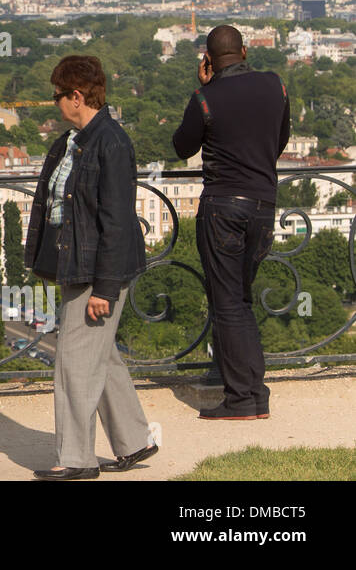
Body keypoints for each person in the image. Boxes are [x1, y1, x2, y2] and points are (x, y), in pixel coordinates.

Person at [24, 56, 154, 479]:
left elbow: (116, 222)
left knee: (74, 361)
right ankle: (135, 440)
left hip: (96, 270)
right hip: (77, 262)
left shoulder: (110, 143)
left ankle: (77, 458)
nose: (55, 103)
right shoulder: (73, 139)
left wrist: (105, 288)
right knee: (98, 355)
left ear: (76, 96)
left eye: (58, 96)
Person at [172, 25, 290, 420]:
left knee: (228, 303)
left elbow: (181, 146)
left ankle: (242, 399)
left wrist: (203, 88)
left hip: (223, 207)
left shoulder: (206, 97)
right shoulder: (276, 85)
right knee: (240, 299)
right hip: (264, 206)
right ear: (244, 51)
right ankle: (254, 394)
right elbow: (281, 138)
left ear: (208, 59)